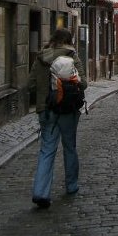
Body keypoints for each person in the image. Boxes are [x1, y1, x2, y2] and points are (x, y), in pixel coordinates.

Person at [29, 28, 87, 208]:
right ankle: (71, 185)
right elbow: (84, 84)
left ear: (52, 39)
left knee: (47, 150)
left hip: (46, 110)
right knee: (70, 147)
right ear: (69, 40)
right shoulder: (72, 56)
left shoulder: (41, 57)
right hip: (67, 110)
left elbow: (31, 84)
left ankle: (41, 192)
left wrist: (44, 94)